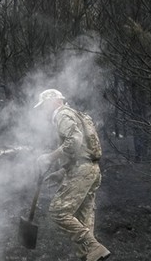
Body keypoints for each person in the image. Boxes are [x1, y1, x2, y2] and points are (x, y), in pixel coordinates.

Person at [34, 89, 110, 261]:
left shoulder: (62, 115)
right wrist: (61, 172)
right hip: (91, 170)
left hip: (81, 171)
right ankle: (90, 255)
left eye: (44, 106)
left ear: (54, 102)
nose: (43, 111)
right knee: (84, 220)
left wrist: (49, 157)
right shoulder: (77, 115)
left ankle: (93, 246)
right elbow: (85, 149)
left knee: (57, 211)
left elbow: (74, 141)